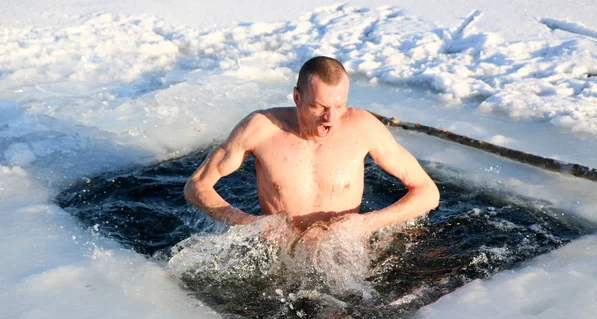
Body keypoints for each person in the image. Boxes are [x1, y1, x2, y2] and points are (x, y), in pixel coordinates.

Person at [184, 56, 439, 237]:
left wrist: (366, 224)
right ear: (297, 97)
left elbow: (428, 192)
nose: (331, 118)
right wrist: (248, 223)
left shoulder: (364, 128)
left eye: (339, 106)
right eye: (320, 106)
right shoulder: (261, 128)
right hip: (278, 252)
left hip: (342, 251)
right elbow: (196, 186)